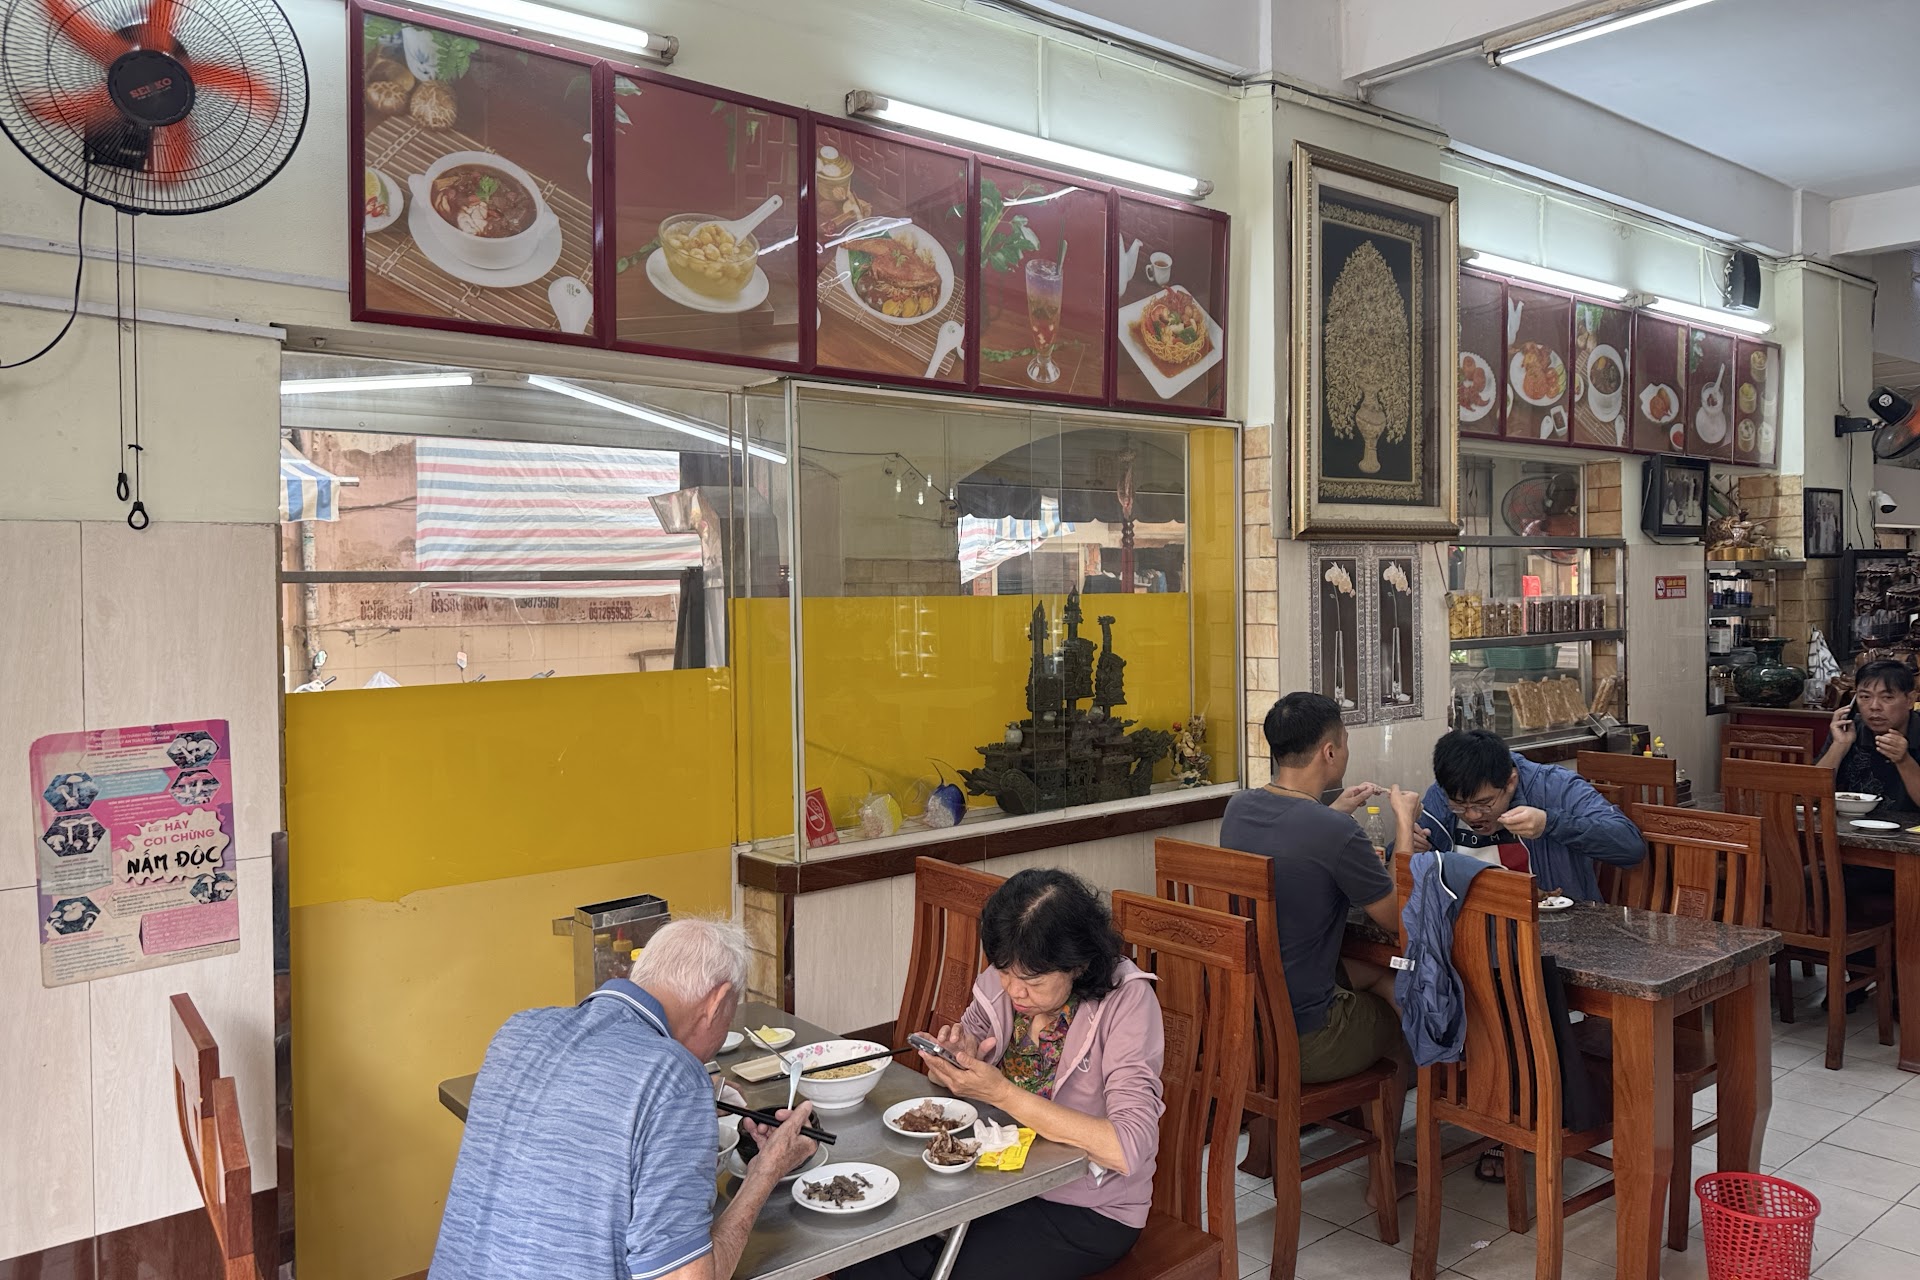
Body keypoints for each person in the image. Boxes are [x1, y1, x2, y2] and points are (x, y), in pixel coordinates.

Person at [429, 918, 817, 1280]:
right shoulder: (674, 1076)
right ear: (717, 1003)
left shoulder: (519, 1031)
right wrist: (764, 1172)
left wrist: (665, 1111)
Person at [847, 869, 1164, 1280]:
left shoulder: (1128, 1002)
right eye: (1003, 971)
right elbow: (963, 1068)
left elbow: (1126, 1148)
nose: (1014, 990)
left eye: (1032, 980)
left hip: (1084, 1208)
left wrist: (1000, 1093)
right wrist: (955, 1062)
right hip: (990, 1182)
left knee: (936, 1270)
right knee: (870, 1250)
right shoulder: (1008, 976)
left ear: (1079, 964)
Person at [1219, 692, 1419, 1086]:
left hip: (1245, 1020)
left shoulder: (1238, 808)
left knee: (1384, 977)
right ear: (1329, 752)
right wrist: (1404, 824)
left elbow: (1294, 839)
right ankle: (1408, 1117)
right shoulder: (1336, 832)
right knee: (1398, 1021)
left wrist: (1334, 811)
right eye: (1344, 742)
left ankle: (1295, 1133)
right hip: (1305, 1038)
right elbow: (1399, 919)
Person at [1412, 729, 1644, 902]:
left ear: (1511, 782)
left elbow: (1631, 847)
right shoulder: (1443, 793)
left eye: (1484, 803)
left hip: (1553, 934)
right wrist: (1413, 842)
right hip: (1472, 929)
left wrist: (1550, 823)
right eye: (1459, 805)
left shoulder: (1555, 786)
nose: (1472, 815)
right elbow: (1409, 868)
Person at [1819, 659, 1920, 811]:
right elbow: (1810, 795)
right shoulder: (1847, 728)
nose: (1874, 707)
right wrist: (1839, 746)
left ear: (1910, 700)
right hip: (1849, 822)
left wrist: (1904, 760)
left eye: (1887, 697)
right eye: (1865, 697)